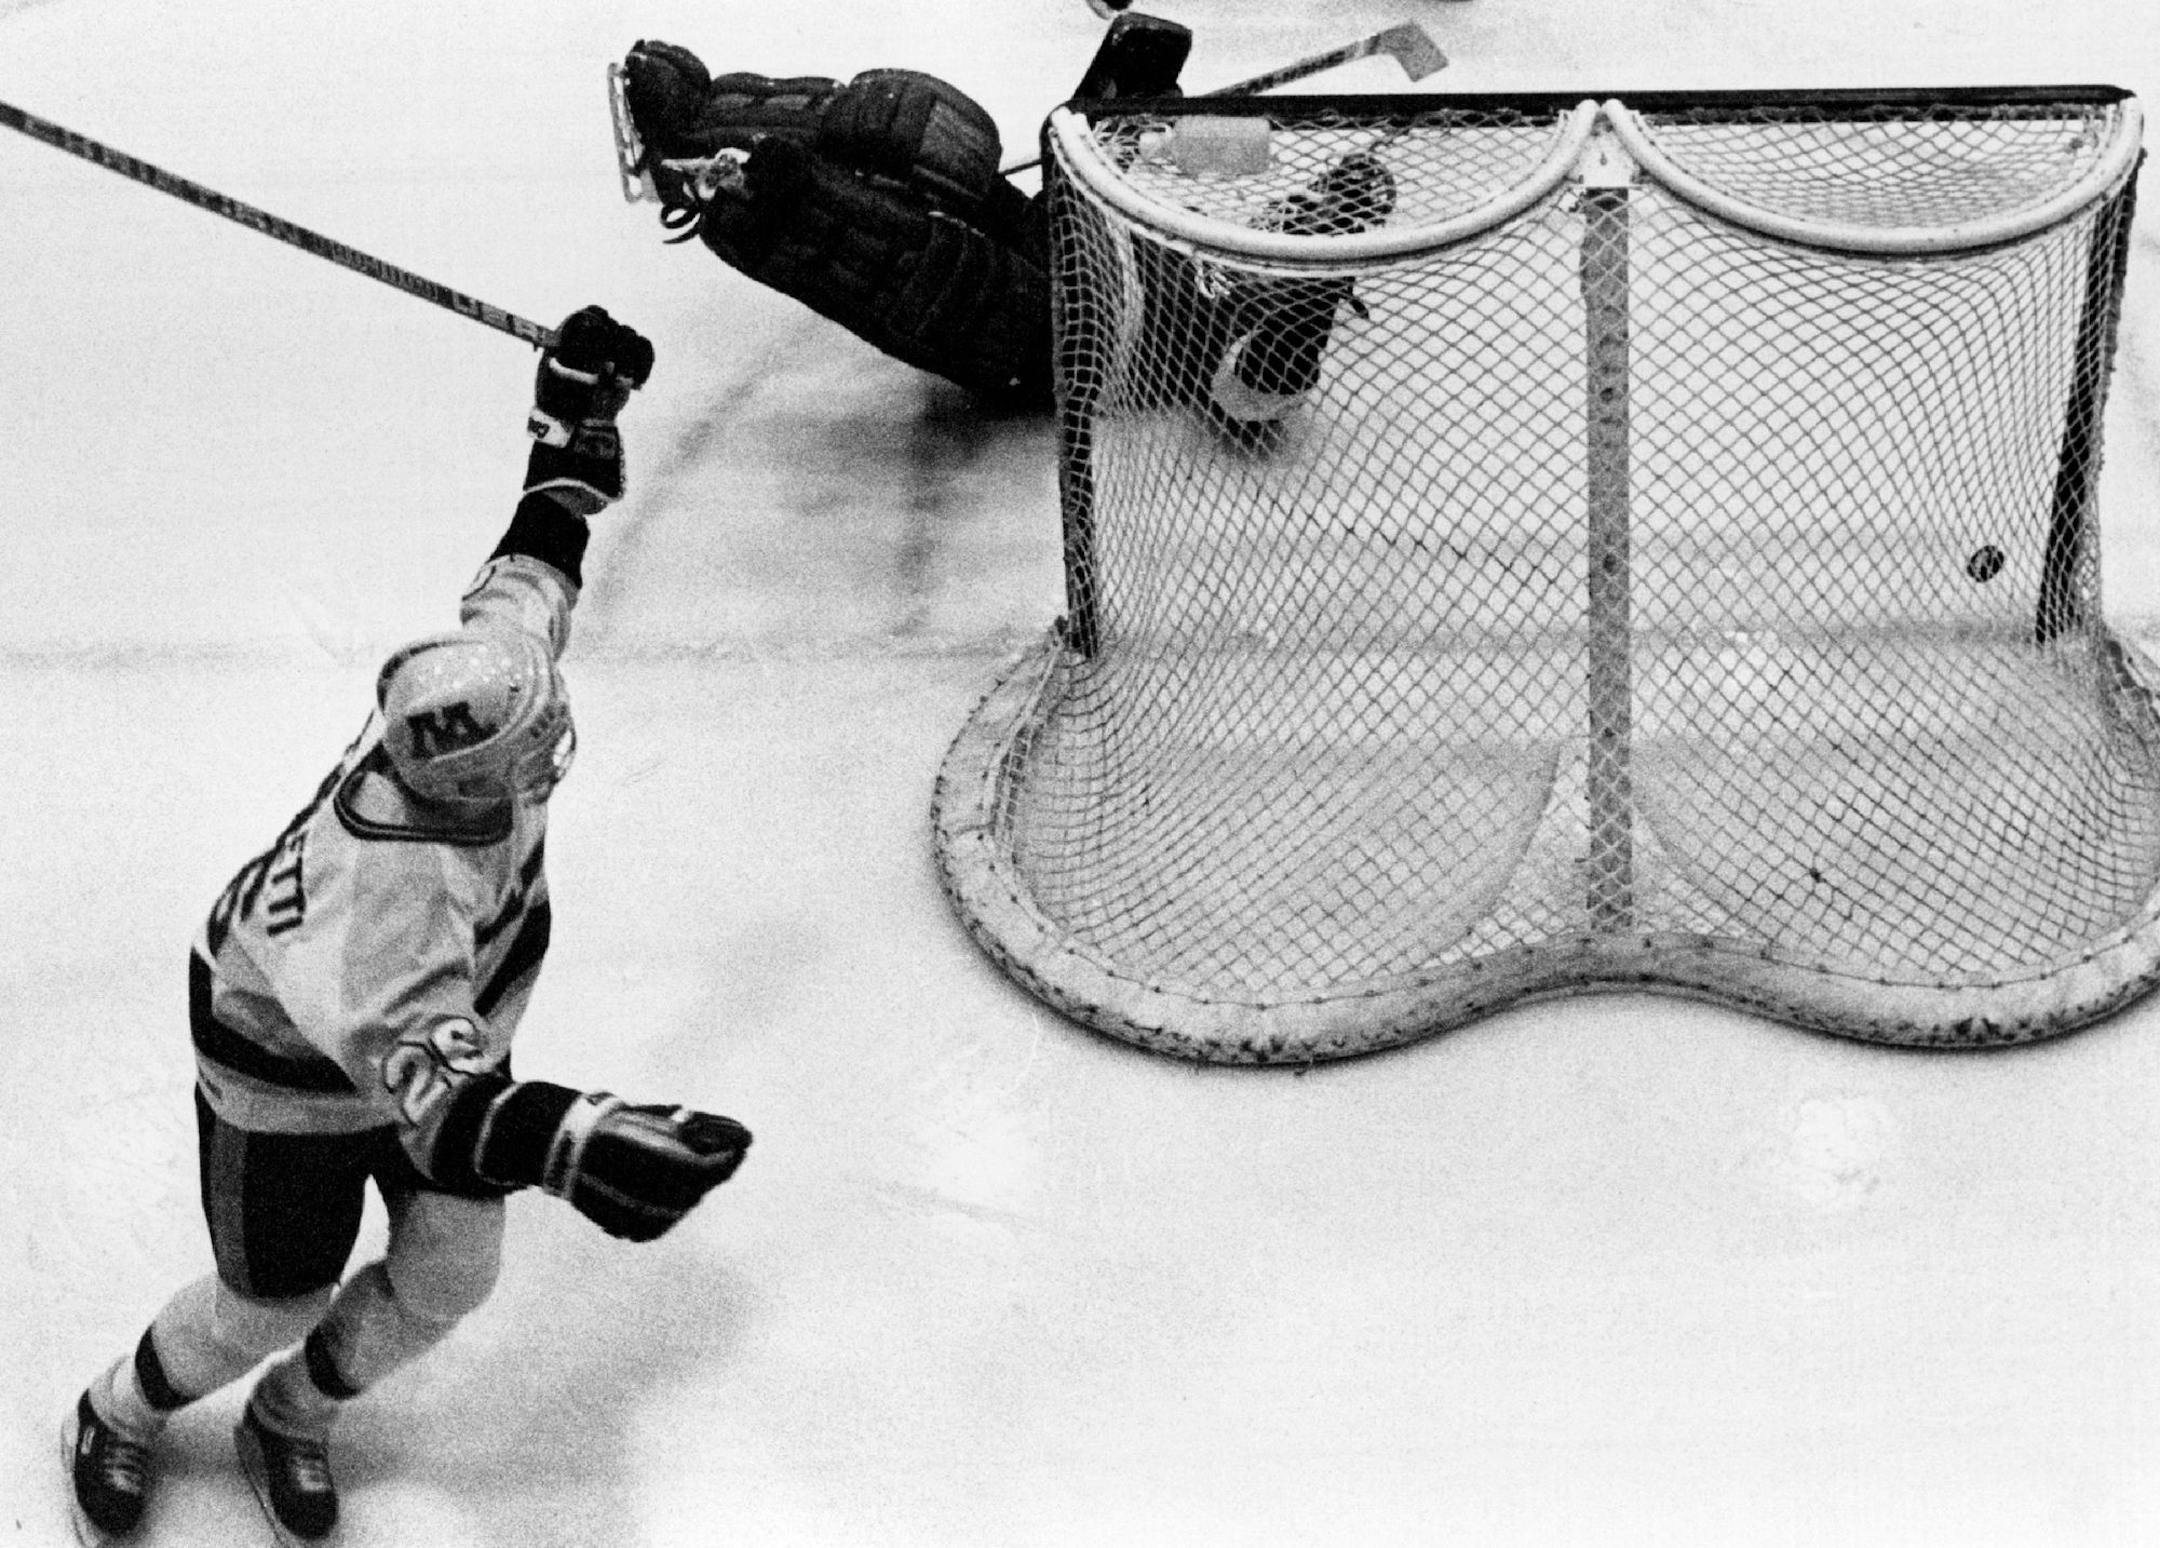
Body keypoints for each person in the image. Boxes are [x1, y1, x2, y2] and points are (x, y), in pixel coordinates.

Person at [61, 306, 753, 1547]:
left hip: (425, 1036)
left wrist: (574, 427)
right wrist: (573, 1136)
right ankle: (116, 1410)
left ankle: (292, 1419)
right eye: (535, 743)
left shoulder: (471, 704)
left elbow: (531, 574)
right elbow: (441, 1092)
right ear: (474, 778)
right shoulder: (389, 900)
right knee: (268, 1297)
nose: (555, 743)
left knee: (451, 1274)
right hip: (287, 1070)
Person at [610, 33, 1392, 437]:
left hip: (1072, 337)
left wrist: (1308, 299)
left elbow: (1253, 402)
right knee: (916, 135)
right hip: (1067, 248)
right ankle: (707, 121)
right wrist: (1119, 115)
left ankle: (750, 189)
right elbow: (1138, 194)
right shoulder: (1250, 248)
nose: (1301, 224)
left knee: (911, 254)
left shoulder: (1240, 333)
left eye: (1320, 221)